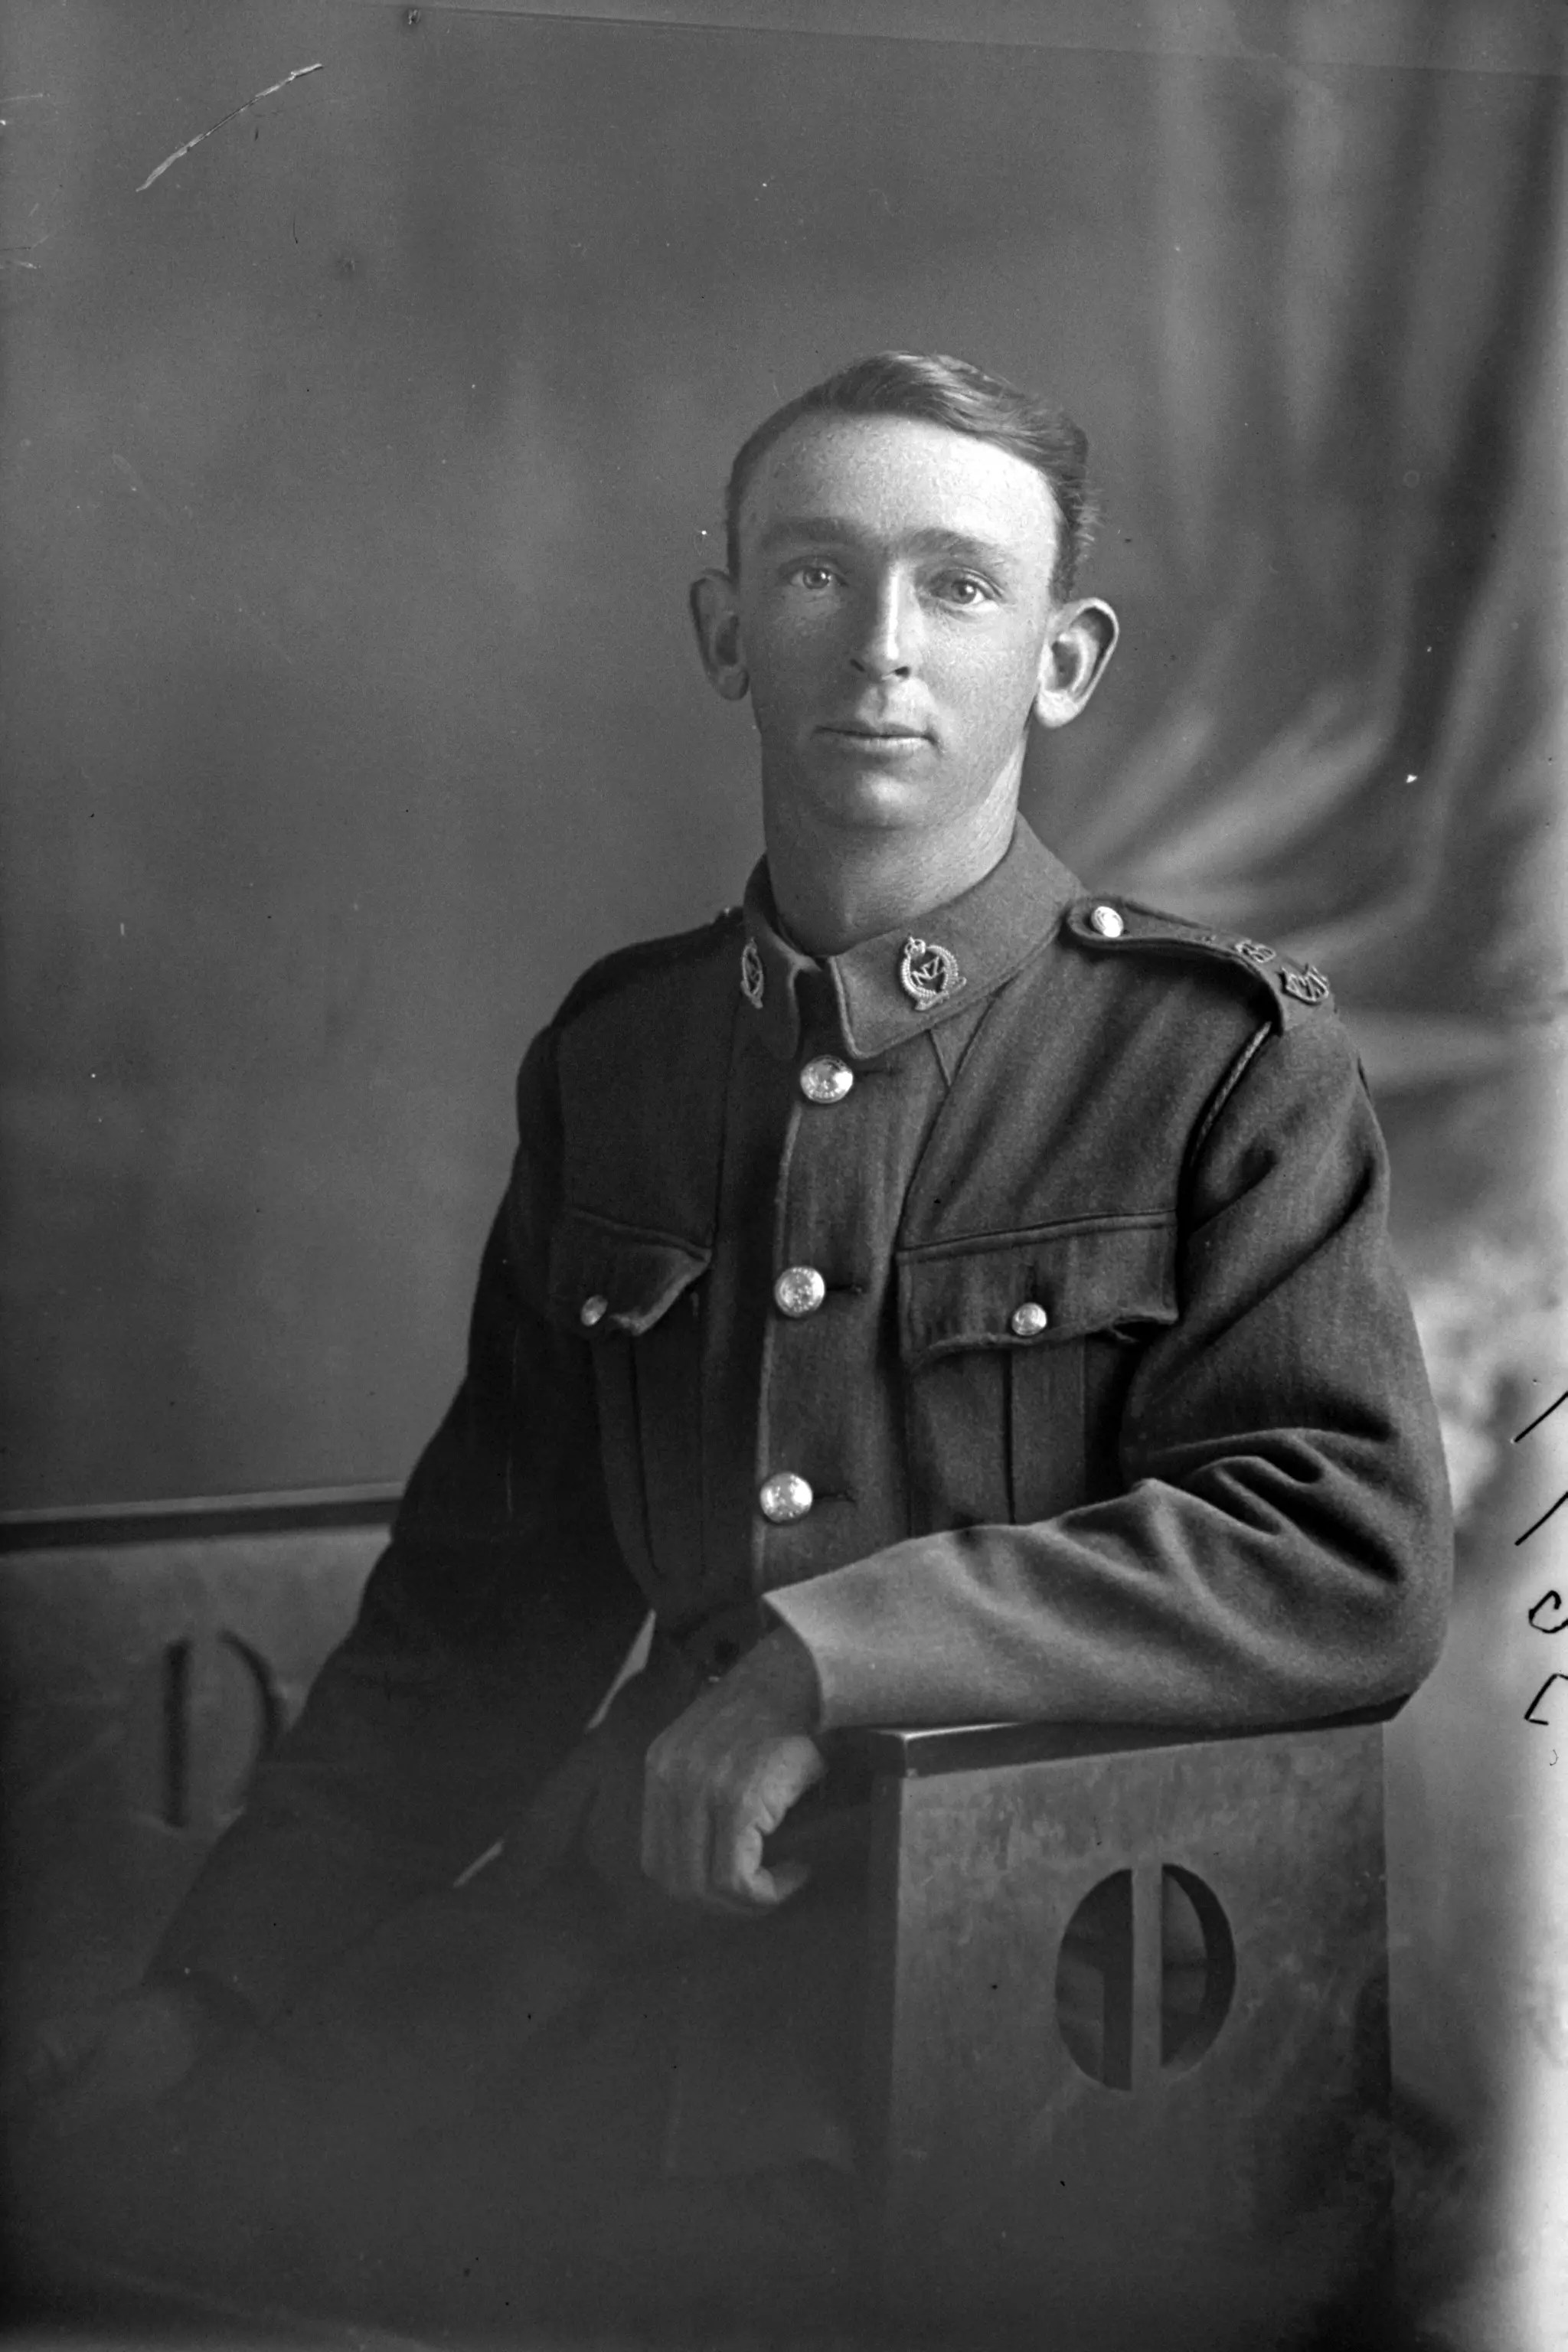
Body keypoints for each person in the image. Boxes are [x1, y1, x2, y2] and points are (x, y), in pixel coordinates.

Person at [12, 351, 1452, 2341]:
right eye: (812, 575)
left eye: (958, 586)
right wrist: (214, 1986)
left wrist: (815, 1660)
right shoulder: (624, 1063)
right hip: (626, 1946)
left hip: (1042, 2002)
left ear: (1065, 660)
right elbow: (482, 1611)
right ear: (722, 630)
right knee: (152, 2218)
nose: (878, 644)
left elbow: (1345, 1550)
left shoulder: (1219, 1069)